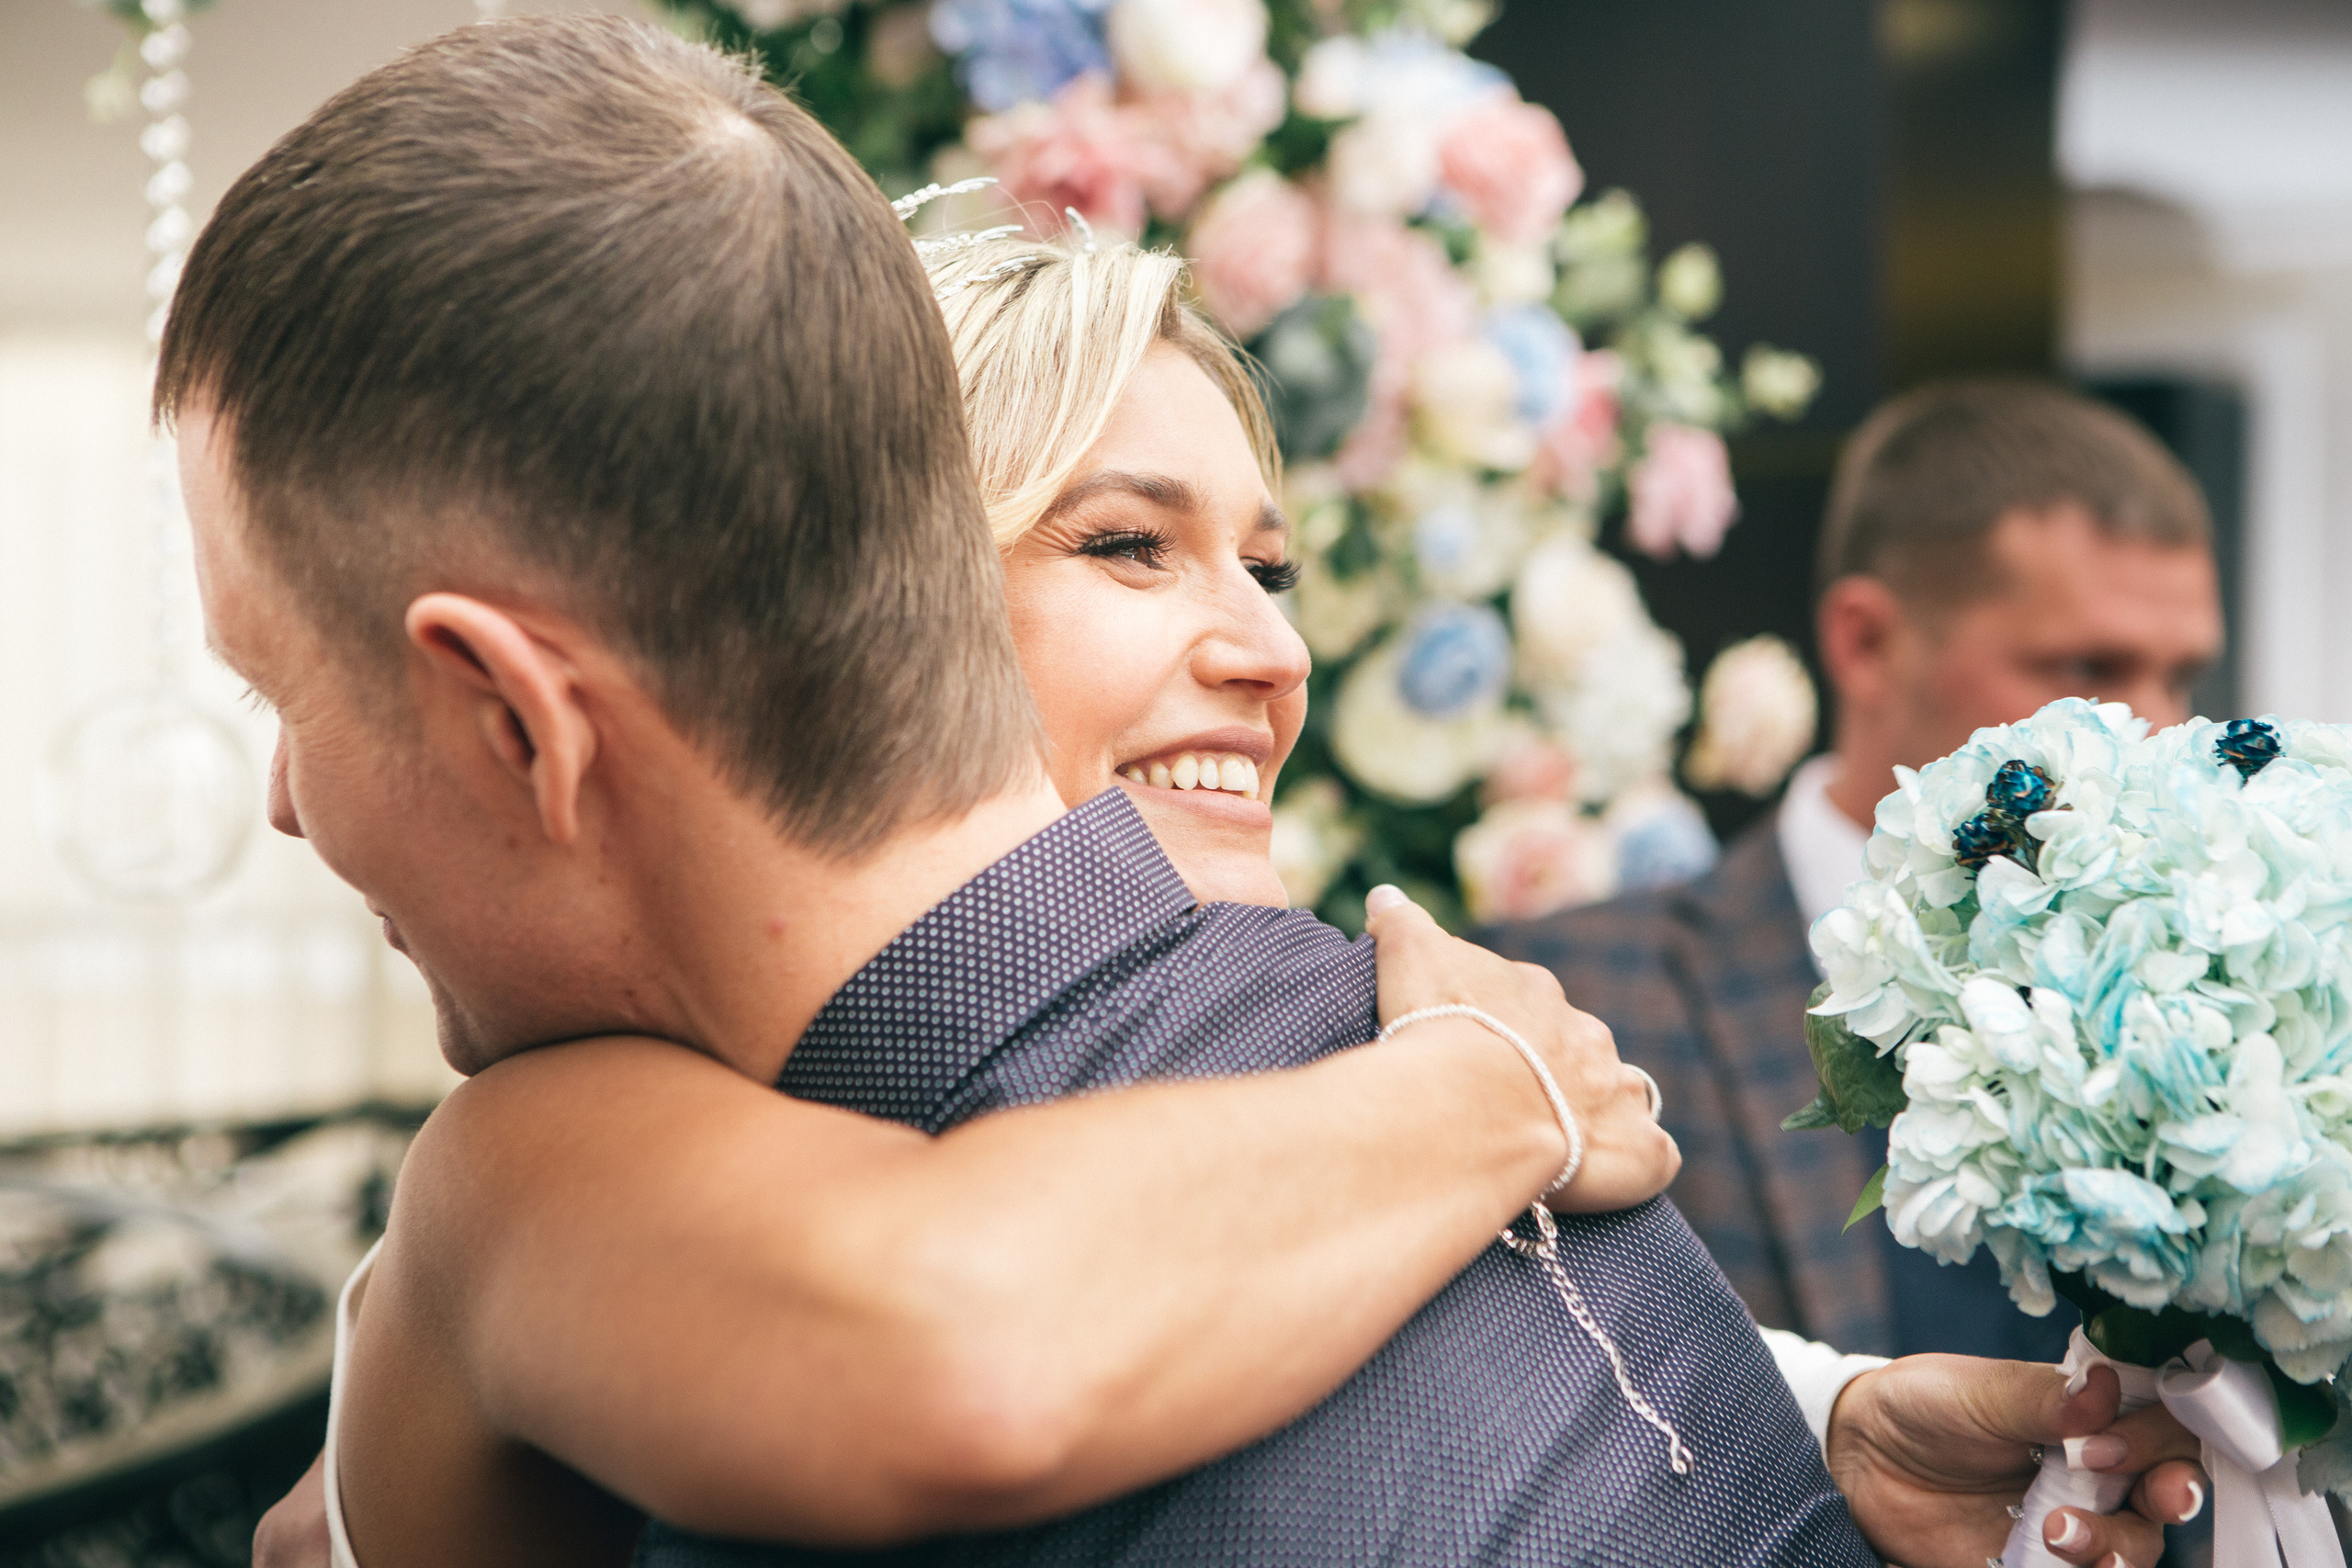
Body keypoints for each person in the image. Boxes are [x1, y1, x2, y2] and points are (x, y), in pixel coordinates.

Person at [177, 20, 2197, 1567]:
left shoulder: (1378, 1060)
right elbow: (950, 1332)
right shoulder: (568, 1183)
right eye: (1125, 544)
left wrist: (1793, 1419)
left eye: (281, 688)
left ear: (518, 721)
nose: (1261, 645)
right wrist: (1479, 1093)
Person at [1484, 379, 2225, 1366]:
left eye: (2181, 678)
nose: (2155, 735)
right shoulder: (1568, 1004)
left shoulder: (2224, 1004)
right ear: (1867, 644)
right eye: (2088, 669)